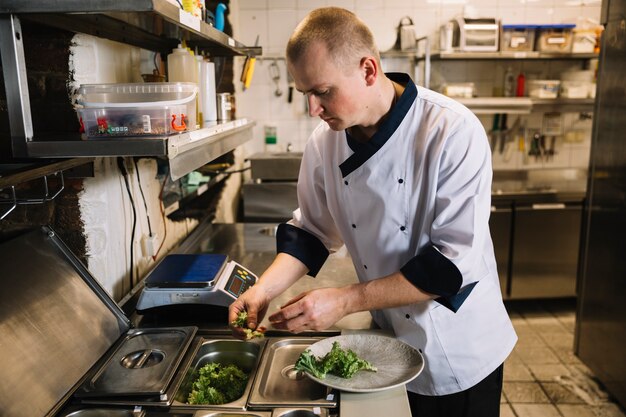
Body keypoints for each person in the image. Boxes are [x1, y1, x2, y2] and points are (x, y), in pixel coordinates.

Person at [229, 7, 517, 417]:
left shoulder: (452, 131)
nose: (314, 107)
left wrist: (345, 301)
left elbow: (449, 266)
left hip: (459, 345)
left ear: (368, 69)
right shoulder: (324, 142)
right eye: (305, 93)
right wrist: (262, 290)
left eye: (323, 91)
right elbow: (311, 233)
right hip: (387, 342)